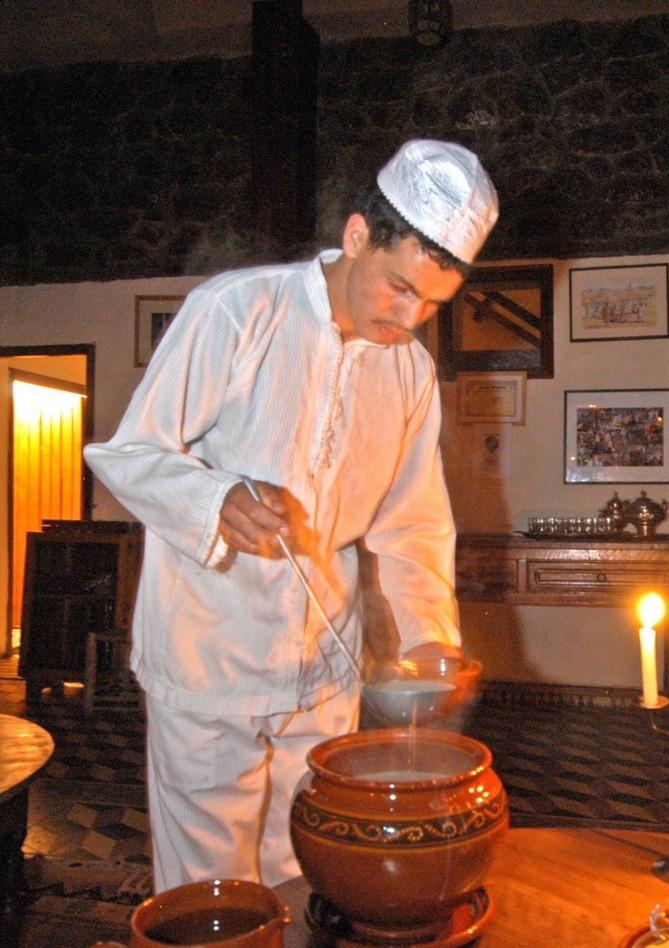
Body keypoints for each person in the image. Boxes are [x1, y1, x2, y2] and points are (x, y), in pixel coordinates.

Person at [84, 139, 499, 893]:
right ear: (354, 235)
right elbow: (128, 454)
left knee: (304, 869)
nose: (408, 317)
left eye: (433, 305)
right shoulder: (238, 311)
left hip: (322, 665)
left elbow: (412, 522)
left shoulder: (408, 370)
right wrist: (215, 499)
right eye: (400, 287)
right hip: (209, 652)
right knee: (208, 891)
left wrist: (430, 636)